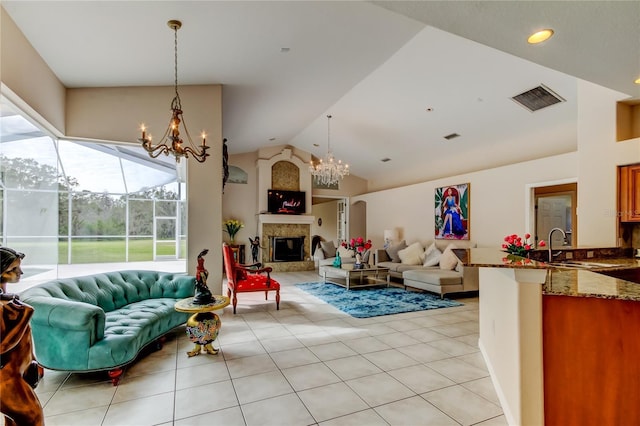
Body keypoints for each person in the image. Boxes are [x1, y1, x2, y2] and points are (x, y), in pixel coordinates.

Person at [0, 247, 44, 426]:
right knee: (33, 418)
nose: (20, 272)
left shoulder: (7, 301)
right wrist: (26, 315)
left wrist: (32, 362)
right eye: (13, 269)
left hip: (18, 372)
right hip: (6, 378)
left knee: (14, 422)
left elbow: (24, 339)